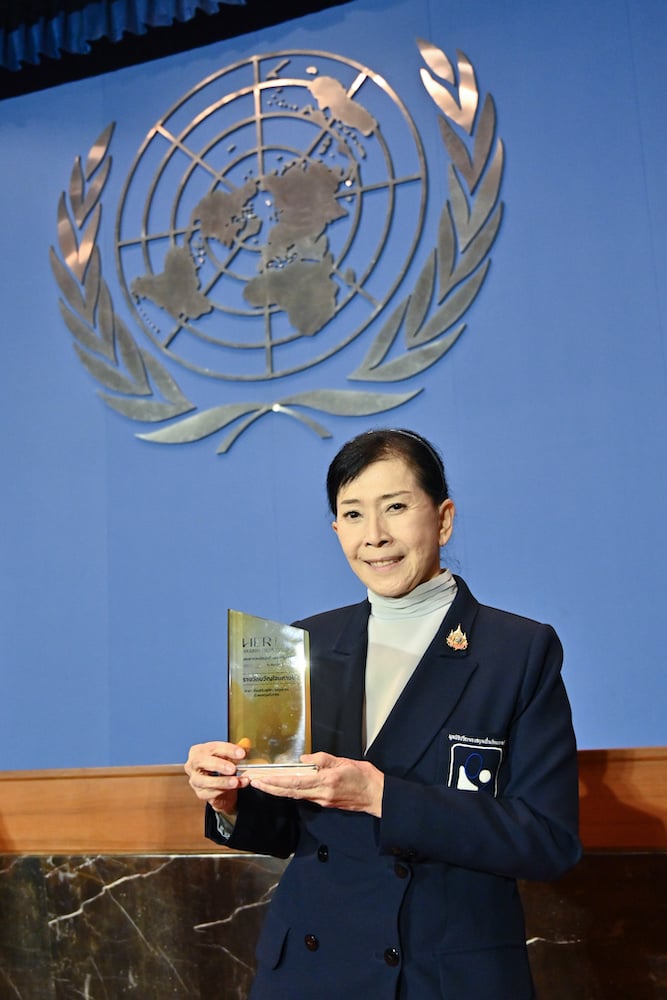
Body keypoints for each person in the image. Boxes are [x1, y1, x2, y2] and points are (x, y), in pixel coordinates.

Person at [185, 428, 581, 999]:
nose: (374, 536)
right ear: (335, 530)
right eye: (352, 514)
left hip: (441, 976)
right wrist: (229, 801)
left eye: (395, 507)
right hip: (309, 974)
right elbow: (289, 827)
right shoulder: (305, 641)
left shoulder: (517, 651)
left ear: (443, 519)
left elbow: (549, 841)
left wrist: (381, 796)